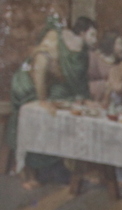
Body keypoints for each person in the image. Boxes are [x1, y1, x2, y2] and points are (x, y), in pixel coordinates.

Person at [7, 16, 98, 189]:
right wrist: (42, 100)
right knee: (36, 115)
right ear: (81, 33)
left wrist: (85, 98)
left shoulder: (81, 52)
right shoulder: (55, 40)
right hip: (30, 84)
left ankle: (70, 168)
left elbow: (79, 80)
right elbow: (39, 67)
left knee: (68, 106)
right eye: (92, 35)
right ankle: (28, 172)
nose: (95, 40)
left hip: (51, 83)